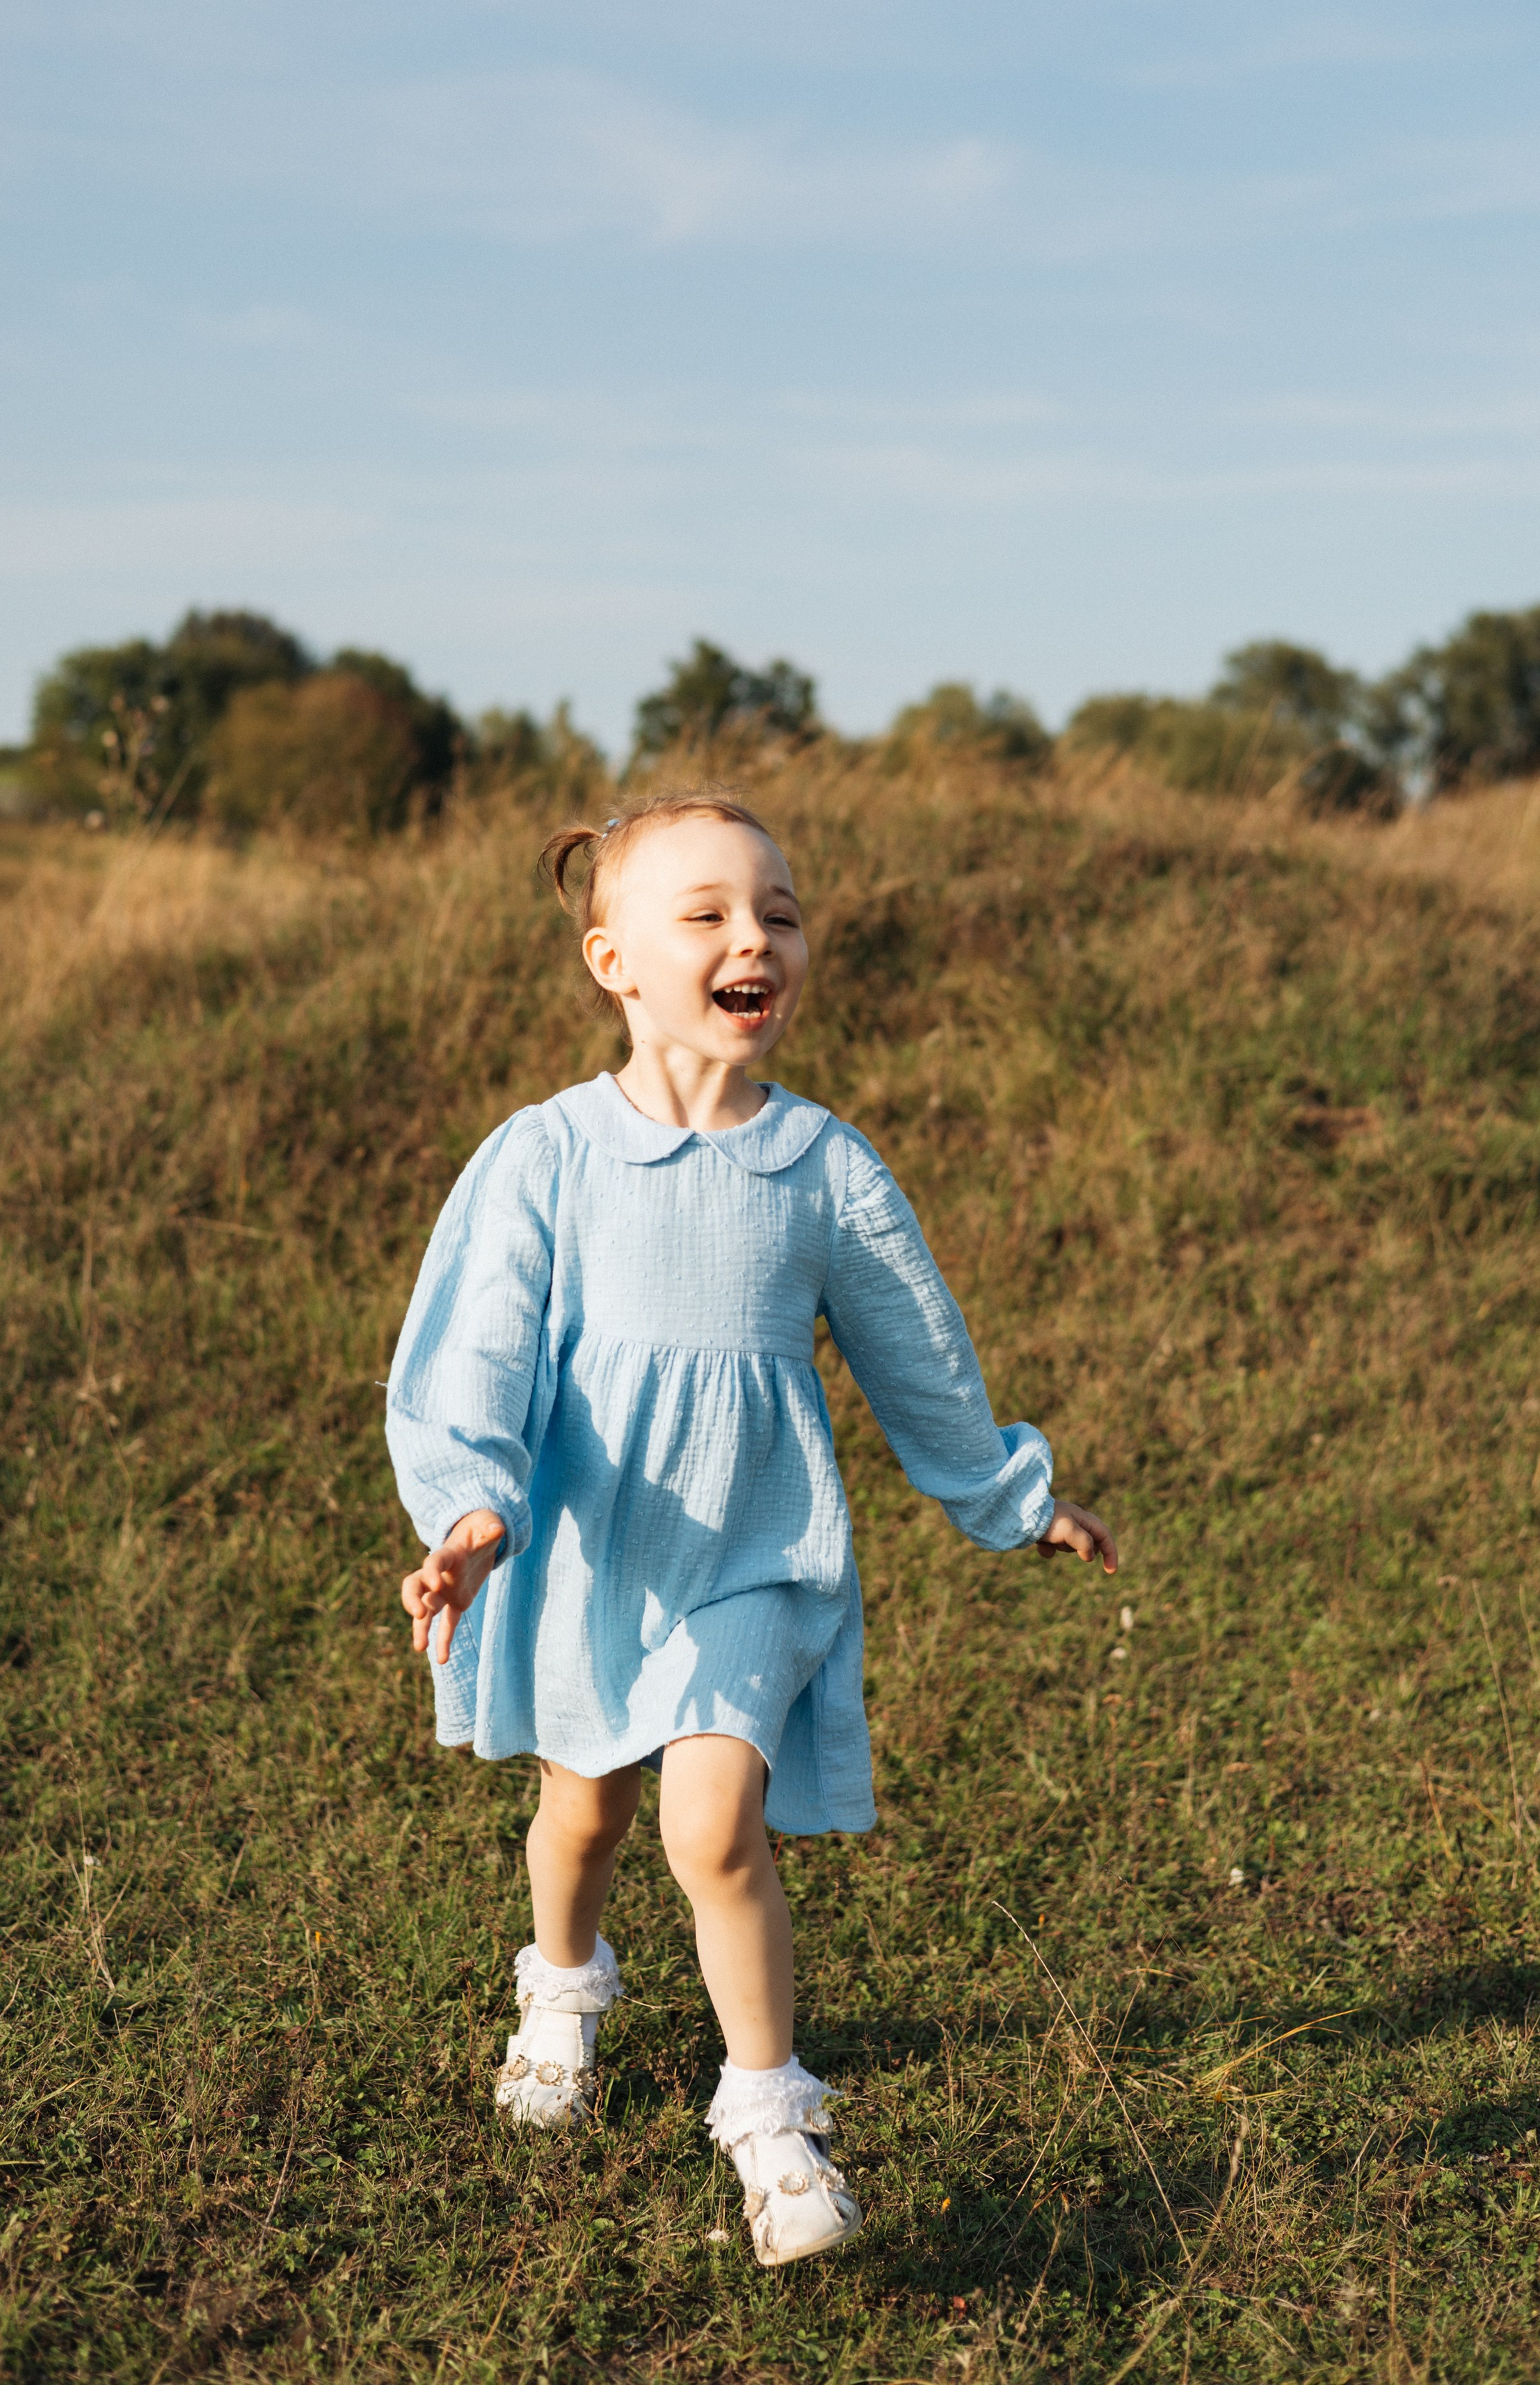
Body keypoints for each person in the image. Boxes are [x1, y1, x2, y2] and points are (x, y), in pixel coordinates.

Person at [387, 793, 1116, 2266]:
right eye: (709, 914)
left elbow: (919, 1353)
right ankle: (561, 1988)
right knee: (583, 1813)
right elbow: (478, 1354)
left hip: (759, 1558)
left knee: (712, 1825)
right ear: (612, 960)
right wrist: (470, 1519)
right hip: (589, 1556)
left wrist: (1008, 1499)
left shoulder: (824, 1167)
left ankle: (773, 2126)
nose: (755, 939)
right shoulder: (546, 1155)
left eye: (779, 913)